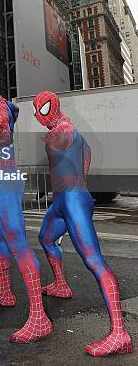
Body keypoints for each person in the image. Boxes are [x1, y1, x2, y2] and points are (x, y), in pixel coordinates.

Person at [33, 91, 133, 357]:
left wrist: (76, 187)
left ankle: (120, 333)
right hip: (62, 201)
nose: (37, 115)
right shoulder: (67, 129)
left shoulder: (64, 128)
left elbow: (64, 138)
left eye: (40, 109)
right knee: (45, 237)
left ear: (52, 107)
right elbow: (86, 152)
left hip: (74, 201)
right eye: (35, 110)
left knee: (95, 262)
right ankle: (61, 284)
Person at [0, 72, 52, 343]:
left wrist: (1, 131)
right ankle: (5, 291)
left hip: (5, 182)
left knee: (17, 243)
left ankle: (39, 318)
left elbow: (4, 129)